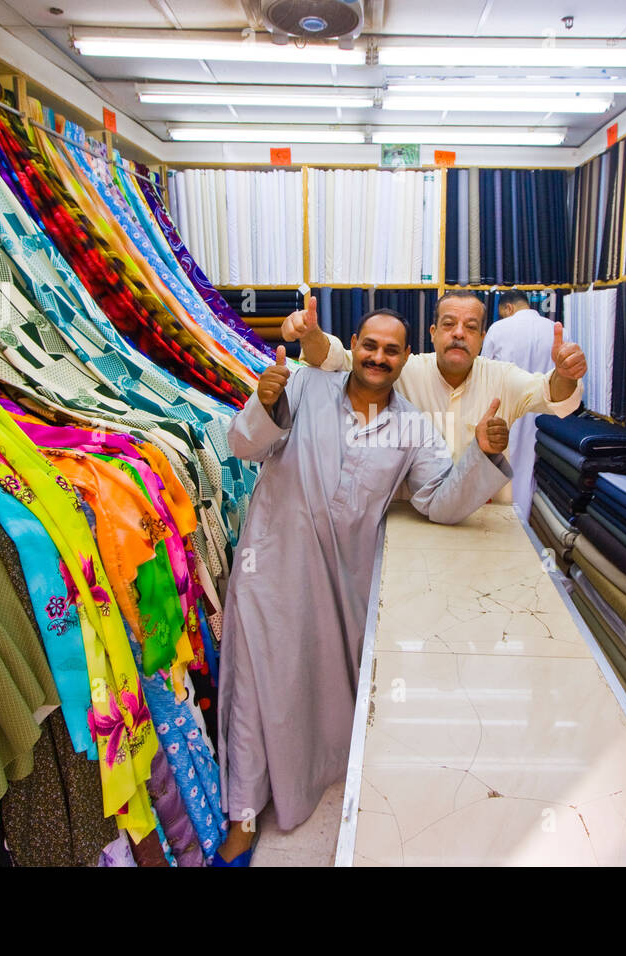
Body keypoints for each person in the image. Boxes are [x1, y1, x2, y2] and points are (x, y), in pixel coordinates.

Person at [214, 308, 510, 865]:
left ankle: (305, 781)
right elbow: (243, 445)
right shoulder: (304, 387)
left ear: (404, 359)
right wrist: (267, 401)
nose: (377, 357)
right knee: (255, 693)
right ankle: (245, 814)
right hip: (271, 573)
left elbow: (440, 500)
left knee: (313, 691)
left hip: (342, 586)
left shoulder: (412, 427)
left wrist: (485, 452)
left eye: (390, 350)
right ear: (354, 344)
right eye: (369, 345)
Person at [282, 290, 587, 508]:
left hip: (483, 518)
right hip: (409, 515)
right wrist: (311, 336)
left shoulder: (502, 378)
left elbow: (551, 395)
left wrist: (566, 374)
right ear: (433, 332)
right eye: (448, 324)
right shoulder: (401, 368)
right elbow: (341, 360)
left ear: (483, 338)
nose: (458, 334)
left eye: (470, 328)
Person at [482, 290, 561, 518]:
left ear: (508, 308)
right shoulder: (556, 329)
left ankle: (503, 523)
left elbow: (484, 372)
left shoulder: (499, 329)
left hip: (507, 410)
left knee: (505, 467)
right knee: (535, 472)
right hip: (547, 413)